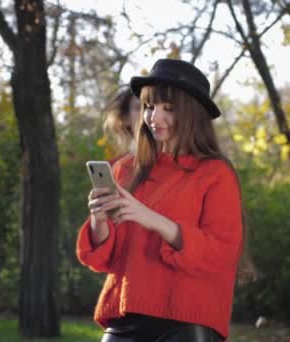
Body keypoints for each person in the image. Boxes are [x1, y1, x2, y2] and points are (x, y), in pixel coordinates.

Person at [77, 59, 249, 341]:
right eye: (149, 107)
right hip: (124, 315)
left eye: (168, 109)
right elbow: (105, 258)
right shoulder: (126, 169)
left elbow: (222, 252)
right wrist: (98, 219)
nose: (154, 118)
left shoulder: (216, 173)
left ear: (192, 114)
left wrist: (151, 219)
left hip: (187, 320)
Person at [103, 86, 141, 157]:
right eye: (139, 108)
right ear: (124, 118)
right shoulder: (117, 166)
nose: (149, 114)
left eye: (151, 107)